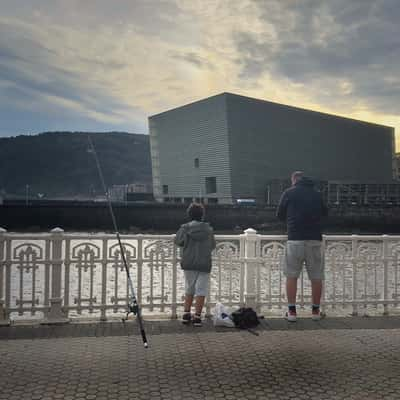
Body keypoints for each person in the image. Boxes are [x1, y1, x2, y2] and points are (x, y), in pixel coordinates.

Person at [277, 171, 328, 322]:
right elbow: (325, 213)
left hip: (295, 238)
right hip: (314, 239)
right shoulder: (317, 194)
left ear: (294, 180)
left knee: (291, 275)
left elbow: (279, 214)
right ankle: (315, 312)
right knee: (316, 277)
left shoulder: (289, 192)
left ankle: (292, 312)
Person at [175, 202, 216, 327]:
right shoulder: (208, 230)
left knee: (189, 288)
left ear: (189, 215)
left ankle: (186, 314)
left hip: (189, 261)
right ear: (202, 215)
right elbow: (213, 245)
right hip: (203, 262)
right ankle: (197, 317)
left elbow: (178, 241)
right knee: (201, 290)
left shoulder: (184, 228)